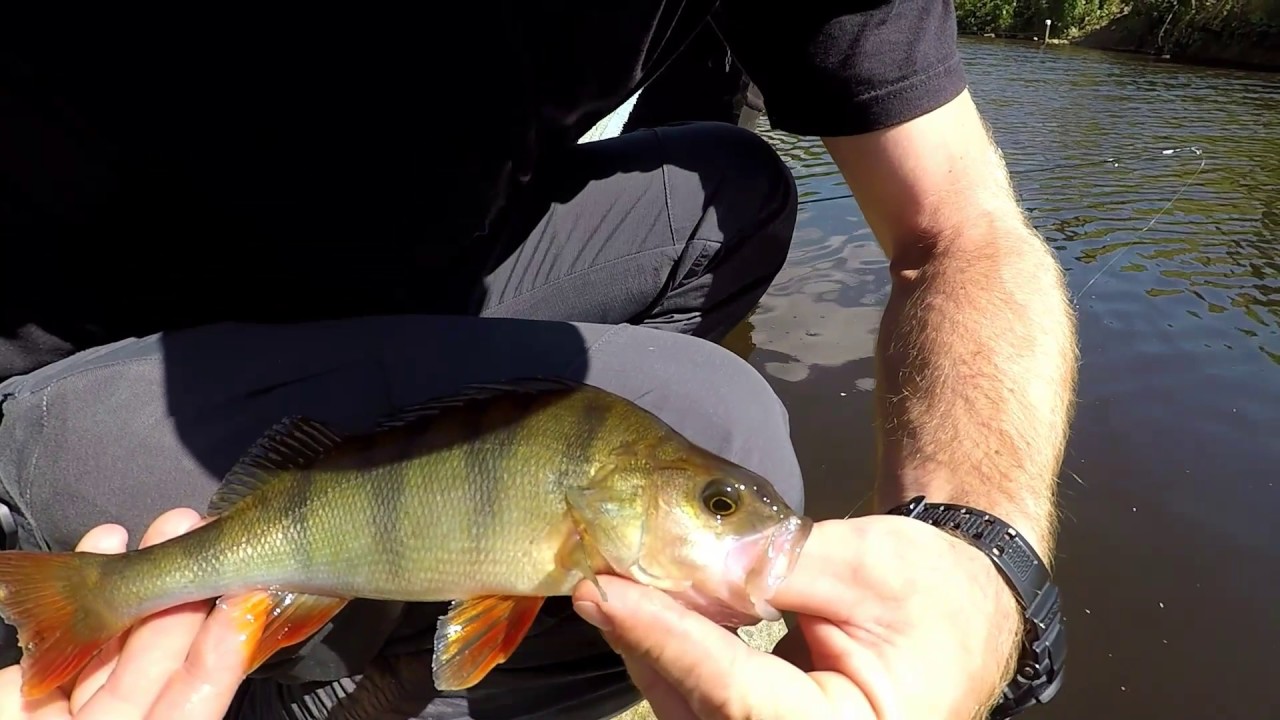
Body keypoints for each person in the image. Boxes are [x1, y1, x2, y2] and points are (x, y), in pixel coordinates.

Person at [0, 2, 1078, 719]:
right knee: (735, 425)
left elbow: (957, 226)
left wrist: (985, 566)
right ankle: (314, 677)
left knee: (732, 190)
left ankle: (396, 614)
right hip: (69, 333)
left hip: (383, 265)